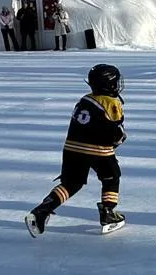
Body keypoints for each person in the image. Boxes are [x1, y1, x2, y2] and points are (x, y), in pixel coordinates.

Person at [26, 63, 126, 236]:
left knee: (72, 183)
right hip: (99, 150)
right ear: (109, 84)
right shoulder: (112, 103)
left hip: (72, 148)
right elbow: (116, 131)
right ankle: (108, 213)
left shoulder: (84, 99)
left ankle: (42, 210)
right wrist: (118, 140)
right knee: (111, 178)